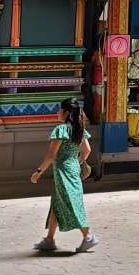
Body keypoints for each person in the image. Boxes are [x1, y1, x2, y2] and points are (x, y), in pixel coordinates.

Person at [30, 98, 98, 253]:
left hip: (63, 171)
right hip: (73, 168)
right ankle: (49, 239)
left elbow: (51, 155)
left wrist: (38, 172)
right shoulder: (79, 129)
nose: (57, 112)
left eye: (59, 109)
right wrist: (77, 161)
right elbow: (87, 150)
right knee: (58, 202)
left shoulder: (61, 129)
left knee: (69, 201)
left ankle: (88, 236)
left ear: (66, 112)